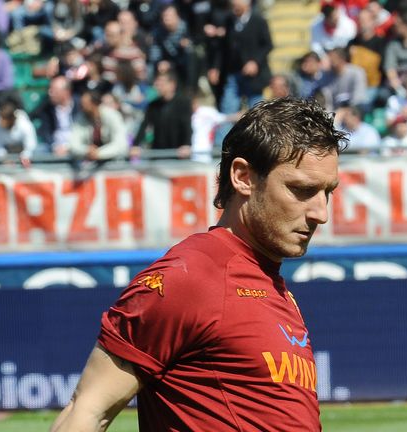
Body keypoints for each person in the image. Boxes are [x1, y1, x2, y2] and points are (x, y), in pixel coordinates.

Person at [50, 97, 347, 431]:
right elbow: (87, 411)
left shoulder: (271, 284)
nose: (321, 213)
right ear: (243, 177)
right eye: (302, 190)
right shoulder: (189, 277)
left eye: (328, 193)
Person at [131, 71, 192, 158]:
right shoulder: (153, 105)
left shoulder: (183, 103)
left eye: (162, 84)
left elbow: (187, 125)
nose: (158, 87)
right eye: (157, 84)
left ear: (172, 85)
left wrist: (187, 145)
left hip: (178, 152)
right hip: (158, 152)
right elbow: (144, 124)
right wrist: (135, 145)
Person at [69, 90, 129, 161]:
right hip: (90, 162)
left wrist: (99, 153)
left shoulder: (113, 116)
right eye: (81, 105)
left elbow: (121, 144)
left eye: (85, 104)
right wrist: (86, 150)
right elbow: (73, 144)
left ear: (95, 104)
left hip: (114, 162)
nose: (82, 108)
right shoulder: (80, 118)